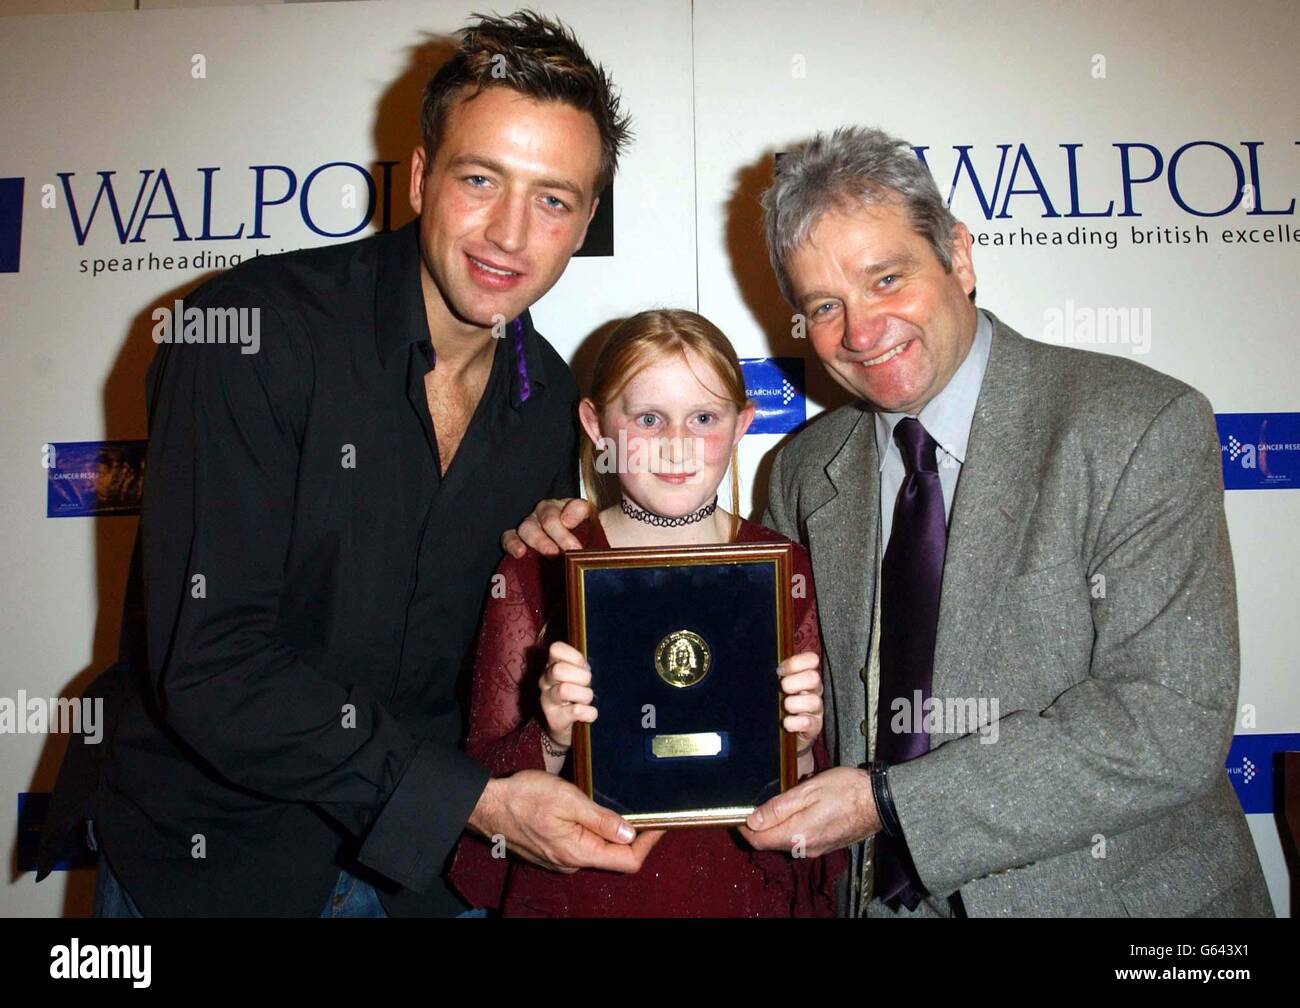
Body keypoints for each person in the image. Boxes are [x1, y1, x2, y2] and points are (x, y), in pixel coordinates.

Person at [503, 127, 1275, 917]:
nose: (862, 331)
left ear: (960, 259)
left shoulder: (1136, 425)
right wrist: (579, 530)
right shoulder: (806, 469)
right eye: (825, 306)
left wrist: (889, 803)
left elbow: (1165, 723)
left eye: (886, 279)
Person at [36, 10, 662, 918]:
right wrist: (470, 803)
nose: (510, 234)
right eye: (480, 179)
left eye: (553, 199)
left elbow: (477, 673)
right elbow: (212, 661)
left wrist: (535, 591)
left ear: (585, 220)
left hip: (420, 880)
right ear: (419, 177)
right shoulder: (252, 334)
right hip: (216, 865)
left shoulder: (547, 400)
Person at [449, 309, 844, 916]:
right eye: (648, 418)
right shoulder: (541, 564)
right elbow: (480, 785)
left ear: (742, 425)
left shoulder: (781, 566)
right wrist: (553, 737)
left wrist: (802, 744)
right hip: (585, 892)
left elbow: (809, 792)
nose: (677, 444)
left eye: (704, 418)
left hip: (739, 890)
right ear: (596, 424)